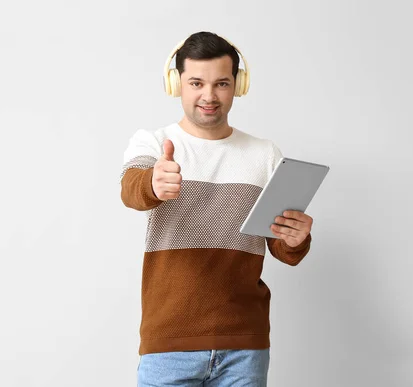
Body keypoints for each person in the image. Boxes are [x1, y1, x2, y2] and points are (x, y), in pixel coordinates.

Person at [119, 31, 314, 387]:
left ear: (238, 85)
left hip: (244, 346)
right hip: (169, 345)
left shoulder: (265, 154)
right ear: (176, 83)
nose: (209, 96)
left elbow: (284, 250)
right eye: (196, 83)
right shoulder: (153, 142)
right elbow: (131, 190)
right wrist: (152, 184)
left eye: (221, 83)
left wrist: (297, 238)